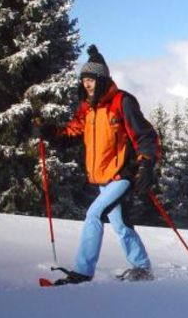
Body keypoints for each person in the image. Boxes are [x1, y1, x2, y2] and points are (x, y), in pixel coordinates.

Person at [36, 45, 160, 285]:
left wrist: (145, 165)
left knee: (93, 214)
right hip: (102, 177)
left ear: (102, 79)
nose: (87, 84)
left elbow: (145, 135)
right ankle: (143, 268)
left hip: (121, 174)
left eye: (91, 79)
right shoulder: (88, 109)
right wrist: (50, 132)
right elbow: (72, 133)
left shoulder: (121, 102)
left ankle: (82, 272)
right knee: (120, 224)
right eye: (84, 80)